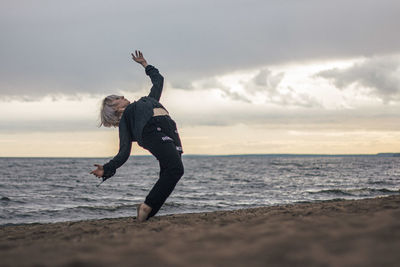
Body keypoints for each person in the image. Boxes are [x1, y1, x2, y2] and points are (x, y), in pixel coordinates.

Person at [90, 50, 184, 222]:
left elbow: (159, 81)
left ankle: (147, 212)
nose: (123, 96)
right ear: (116, 109)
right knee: (175, 168)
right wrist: (107, 168)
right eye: (118, 98)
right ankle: (147, 206)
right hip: (152, 132)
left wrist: (145, 65)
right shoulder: (128, 117)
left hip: (169, 130)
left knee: (172, 172)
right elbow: (124, 150)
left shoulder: (146, 101)